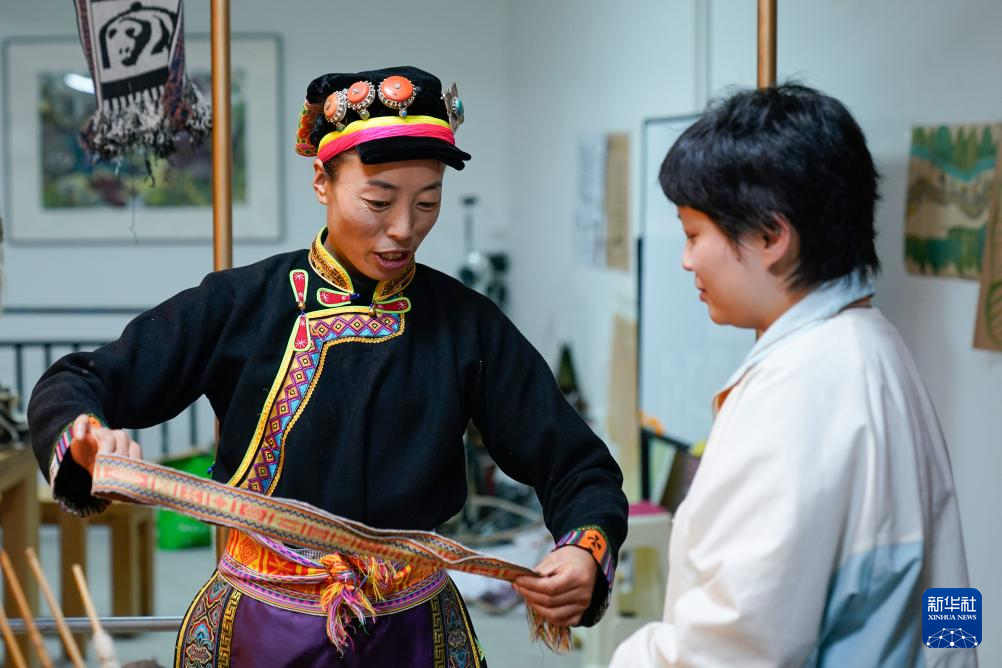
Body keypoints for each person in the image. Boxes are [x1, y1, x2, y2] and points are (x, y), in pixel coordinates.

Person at [28, 66, 628, 667]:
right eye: (378, 202)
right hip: (263, 625)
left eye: (427, 202)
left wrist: (583, 549)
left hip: (413, 631)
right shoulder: (241, 304)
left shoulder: (464, 323)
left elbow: (576, 465)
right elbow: (78, 381)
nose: (404, 229)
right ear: (322, 181)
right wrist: (88, 436)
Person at [612, 84, 975, 667]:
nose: (686, 259)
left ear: (770, 236)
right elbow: (950, 586)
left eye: (693, 234)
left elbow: (733, 648)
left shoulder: (800, 392)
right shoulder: (879, 348)